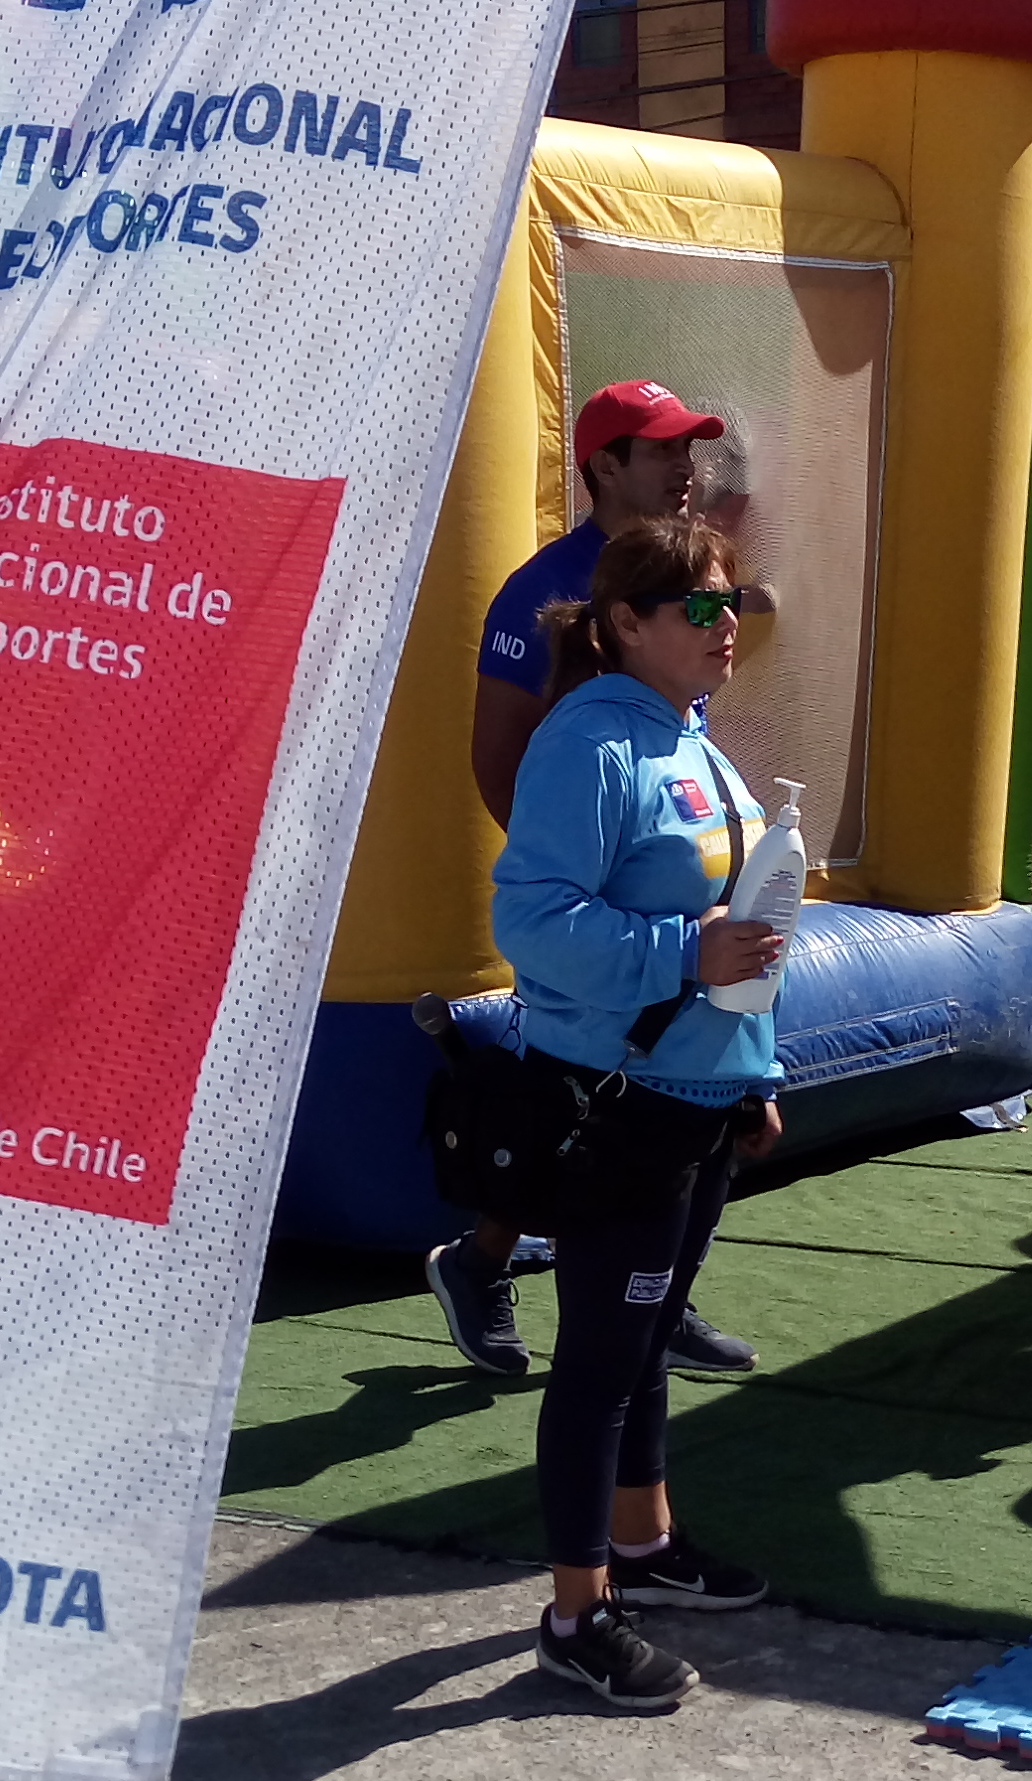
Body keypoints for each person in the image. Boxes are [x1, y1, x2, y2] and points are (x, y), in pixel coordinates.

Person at [490, 514, 785, 1709]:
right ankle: (575, 1615)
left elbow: (744, 933)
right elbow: (531, 922)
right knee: (601, 1363)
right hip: (622, 1106)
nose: (727, 626)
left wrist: (753, 1075)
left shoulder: (688, 738)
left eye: (732, 603)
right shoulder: (586, 742)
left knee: (645, 1340)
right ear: (623, 622)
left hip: (698, 1096)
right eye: (700, 606)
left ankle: (646, 1548)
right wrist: (682, 955)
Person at [425, 378, 764, 1384]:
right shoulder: (538, 589)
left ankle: (654, 1289)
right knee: (574, 1103)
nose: (685, 468)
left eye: (689, 449)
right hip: (590, 905)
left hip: (662, 919)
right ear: (602, 466)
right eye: (660, 450)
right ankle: (485, 1263)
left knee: (644, 1117)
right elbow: (500, 760)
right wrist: (580, 879)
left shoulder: (687, 569)